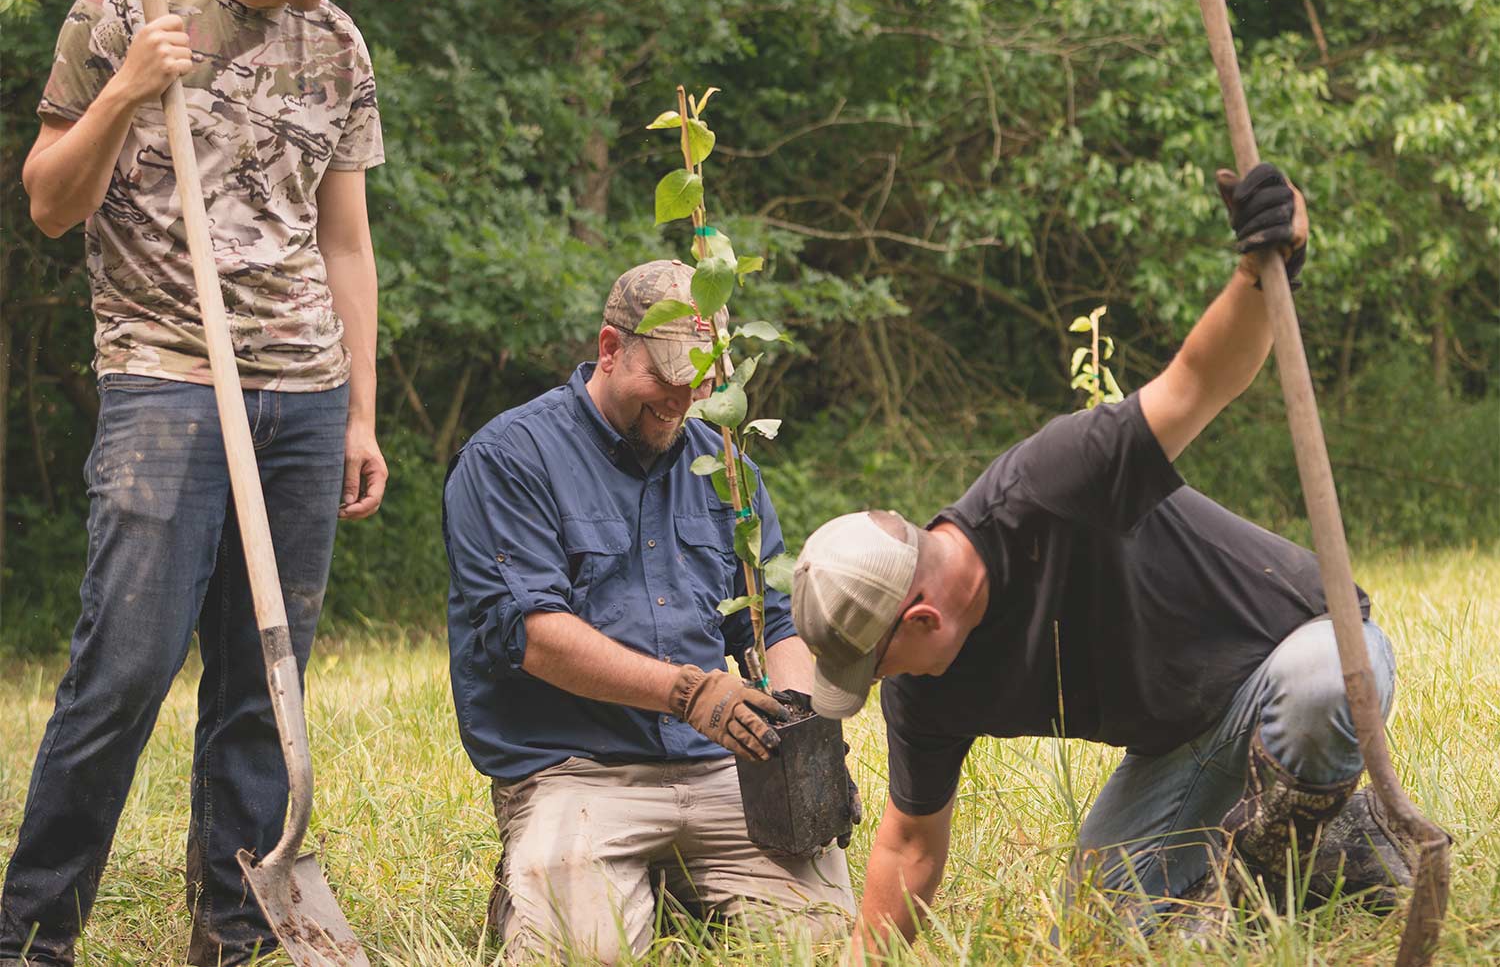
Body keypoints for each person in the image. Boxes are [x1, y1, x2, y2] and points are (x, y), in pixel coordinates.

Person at [791, 165, 1414, 956]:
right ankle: (1310, 848)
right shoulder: (925, 690)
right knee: (1087, 933)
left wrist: (1265, 266)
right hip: (1185, 744)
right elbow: (908, 847)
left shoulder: (1050, 485)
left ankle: (1302, 845)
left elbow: (1196, 383)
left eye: (878, 666)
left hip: (1304, 653)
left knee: (1319, 688)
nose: (884, 687)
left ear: (920, 616)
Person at [0, 0, 435, 963]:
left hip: (302, 391)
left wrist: (359, 411)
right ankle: (33, 934)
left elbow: (347, 242)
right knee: (126, 666)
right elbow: (49, 204)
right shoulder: (124, 7)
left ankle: (234, 933)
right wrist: (130, 92)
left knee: (263, 681)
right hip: (167, 382)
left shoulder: (338, 44)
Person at [444, 260, 855, 963]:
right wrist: (689, 692)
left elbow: (771, 619)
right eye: (666, 378)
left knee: (822, 943)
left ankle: (665, 887)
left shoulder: (728, 470)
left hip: (719, 769)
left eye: (701, 381)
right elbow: (535, 636)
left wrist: (794, 720)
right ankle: (548, 885)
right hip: (575, 772)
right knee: (583, 953)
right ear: (610, 348)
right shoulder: (510, 459)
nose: (683, 398)